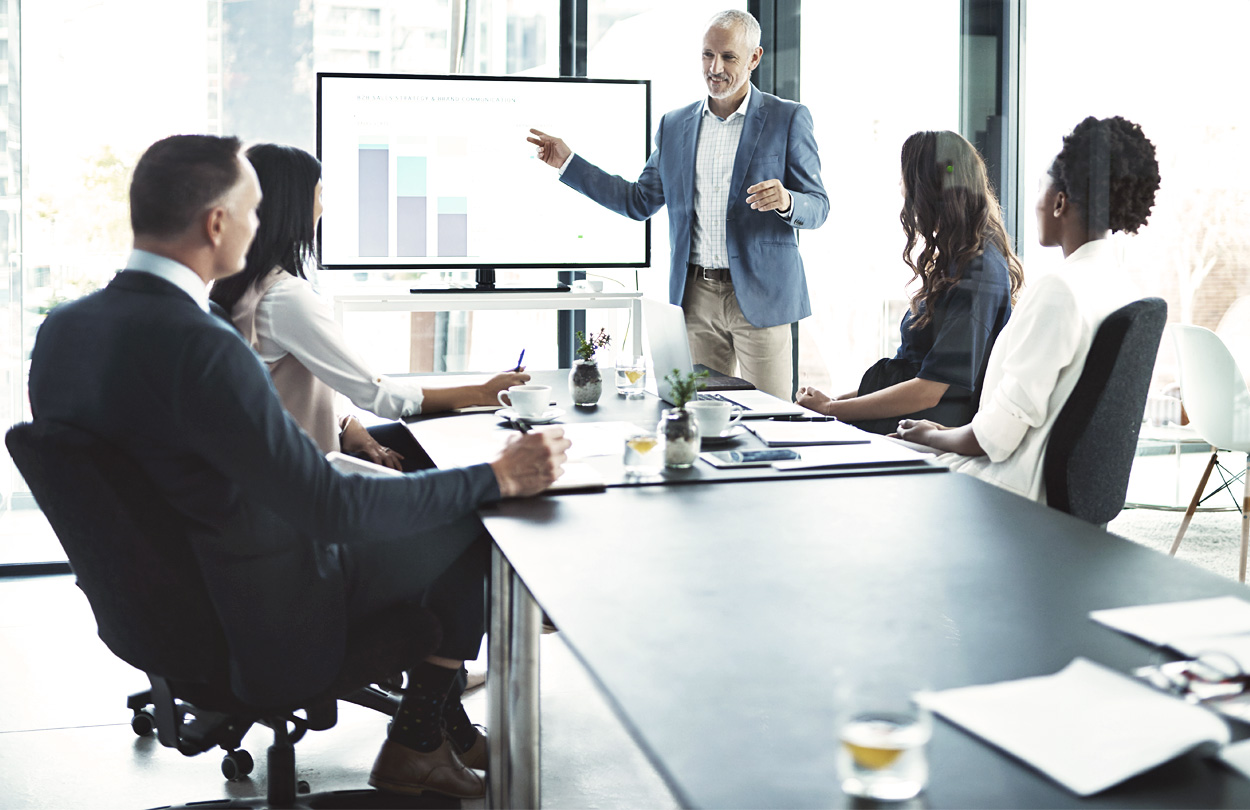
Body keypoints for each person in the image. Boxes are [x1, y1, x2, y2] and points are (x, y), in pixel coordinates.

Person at [28, 135, 570, 799]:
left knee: (421, 500)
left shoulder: (62, 332)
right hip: (266, 615)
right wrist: (496, 476)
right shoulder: (205, 347)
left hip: (158, 613)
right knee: (470, 519)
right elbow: (328, 509)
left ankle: (434, 728)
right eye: (252, 213)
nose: (260, 228)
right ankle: (419, 740)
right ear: (217, 223)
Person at [526, 8, 828, 399]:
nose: (715, 67)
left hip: (762, 297)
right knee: (699, 415)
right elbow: (638, 201)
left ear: (754, 58)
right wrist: (569, 162)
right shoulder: (674, 125)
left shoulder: (788, 119)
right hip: (695, 299)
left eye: (729, 57)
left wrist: (787, 200)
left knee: (769, 416)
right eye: (707, 54)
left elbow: (818, 205)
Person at [210, 143, 528, 472]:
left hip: (279, 462)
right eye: (319, 197)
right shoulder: (286, 298)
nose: (322, 209)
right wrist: (482, 392)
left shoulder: (241, 286)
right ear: (294, 207)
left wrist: (346, 423)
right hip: (308, 478)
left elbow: (278, 394)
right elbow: (378, 396)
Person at [896, 116, 1161, 502]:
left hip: (1006, 490)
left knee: (866, 462)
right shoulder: (1120, 287)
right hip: (1044, 489)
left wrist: (932, 436)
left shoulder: (1060, 291)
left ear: (1059, 202)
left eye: (1040, 187)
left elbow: (995, 439)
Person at [793, 131, 1021, 435]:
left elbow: (929, 390)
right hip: (912, 417)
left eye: (907, 183)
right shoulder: (958, 259)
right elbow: (912, 376)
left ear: (928, 191)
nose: (902, 190)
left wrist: (832, 410)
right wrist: (832, 403)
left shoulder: (978, 271)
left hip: (926, 426)